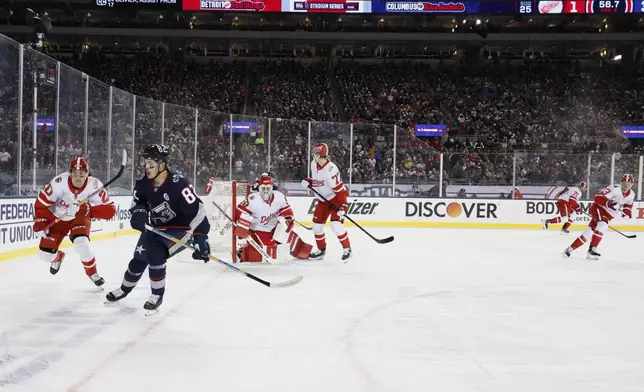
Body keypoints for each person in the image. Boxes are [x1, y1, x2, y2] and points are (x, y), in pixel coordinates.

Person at [105, 144, 211, 314]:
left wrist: (201, 237)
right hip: (156, 227)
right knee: (139, 258)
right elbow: (137, 204)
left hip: (181, 229)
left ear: (162, 165)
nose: (147, 168)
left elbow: (198, 211)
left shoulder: (180, 184)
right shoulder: (142, 184)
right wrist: (139, 213)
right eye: (145, 164)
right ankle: (124, 289)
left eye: (151, 165)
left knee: (156, 253)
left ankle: (156, 295)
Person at [33, 157, 116, 286]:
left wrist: (86, 208)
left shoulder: (94, 185)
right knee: (44, 256)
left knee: (81, 243)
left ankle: (92, 273)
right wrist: (40, 223)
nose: (78, 177)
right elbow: (41, 204)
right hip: (58, 218)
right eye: (74, 173)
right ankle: (58, 257)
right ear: (70, 173)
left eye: (82, 173)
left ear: (87, 173)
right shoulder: (59, 182)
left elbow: (110, 210)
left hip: (80, 217)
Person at [235, 175, 312, 262]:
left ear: (272, 188)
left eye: (268, 188)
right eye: (263, 188)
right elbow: (239, 212)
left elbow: (286, 210)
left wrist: (289, 219)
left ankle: (304, 252)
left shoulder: (279, 196)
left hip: (274, 227)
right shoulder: (252, 199)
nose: (265, 191)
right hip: (258, 230)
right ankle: (243, 252)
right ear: (259, 188)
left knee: (290, 238)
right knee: (270, 249)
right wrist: (243, 228)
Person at [301, 143, 352, 261]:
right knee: (317, 227)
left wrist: (343, 206)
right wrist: (308, 181)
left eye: (315, 153)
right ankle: (321, 250)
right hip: (323, 200)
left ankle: (347, 249)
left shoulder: (331, 170)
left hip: (336, 199)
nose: (314, 154)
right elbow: (317, 181)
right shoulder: (314, 164)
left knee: (336, 225)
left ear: (319, 154)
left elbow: (340, 191)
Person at [563, 174, 634, 259]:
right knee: (603, 225)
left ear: (632, 184)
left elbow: (628, 206)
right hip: (598, 208)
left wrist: (627, 213)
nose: (626, 185)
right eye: (625, 182)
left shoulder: (632, 194)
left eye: (629, 183)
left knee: (588, 233)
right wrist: (609, 204)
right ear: (621, 182)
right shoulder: (614, 189)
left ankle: (569, 250)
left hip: (607, 215)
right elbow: (597, 198)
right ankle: (592, 249)